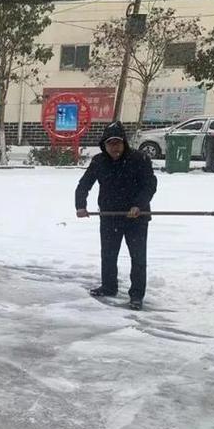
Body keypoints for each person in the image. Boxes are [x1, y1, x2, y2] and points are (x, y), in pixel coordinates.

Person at [75, 121, 157, 310]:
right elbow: (84, 184)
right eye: (110, 143)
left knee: (138, 258)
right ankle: (109, 286)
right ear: (104, 145)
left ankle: (136, 295)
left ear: (124, 143)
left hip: (136, 218)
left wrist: (139, 205)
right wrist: (80, 205)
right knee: (109, 254)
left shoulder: (140, 159)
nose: (114, 147)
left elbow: (149, 185)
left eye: (118, 143)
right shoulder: (99, 161)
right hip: (110, 215)